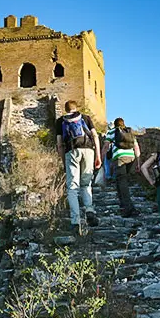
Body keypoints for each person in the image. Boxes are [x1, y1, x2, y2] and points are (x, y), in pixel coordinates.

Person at [55, 100, 102, 236]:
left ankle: (75, 222)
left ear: (65, 109)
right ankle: (89, 210)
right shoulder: (85, 118)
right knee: (86, 183)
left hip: (72, 151)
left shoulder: (60, 121)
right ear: (76, 108)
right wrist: (98, 155)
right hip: (88, 151)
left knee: (72, 188)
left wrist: (64, 161)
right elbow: (95, 136)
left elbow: (59, 144)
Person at [104, 117, 141, 217]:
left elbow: (106, 146)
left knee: (122, 182)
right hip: (131, 158)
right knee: (121, 180)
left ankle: (129, 208)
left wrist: (100, 157)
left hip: (119, 158)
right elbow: (136, 148)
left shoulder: (112, 132)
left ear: (115, 125)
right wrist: (138, 162)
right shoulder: (130, 132)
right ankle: (123, 205)